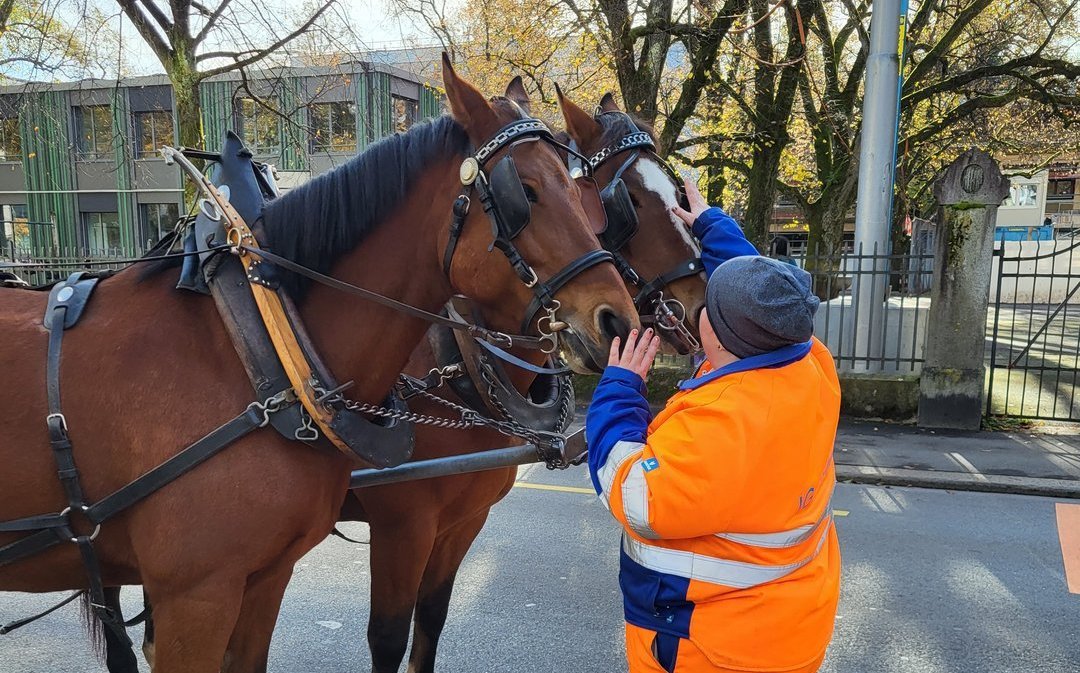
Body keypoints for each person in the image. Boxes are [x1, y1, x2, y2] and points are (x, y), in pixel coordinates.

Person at [585, 179, 841, 673]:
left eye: (707, 306)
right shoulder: (809, 362)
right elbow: (762, 294)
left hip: (710, 649)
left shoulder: (721, 420)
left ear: (716, 333)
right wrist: (710, 224)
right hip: (789, 626)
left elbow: (636, 496)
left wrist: (620, 389)